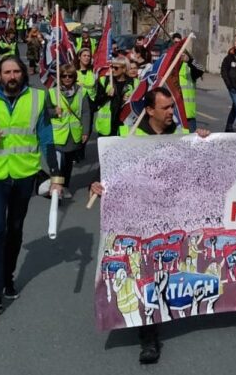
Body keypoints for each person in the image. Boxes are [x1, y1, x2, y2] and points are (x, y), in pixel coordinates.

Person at [90, 87, 210, 364]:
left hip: (169, 218)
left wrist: (202, 139)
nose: (172, 112)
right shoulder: (129, 137)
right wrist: (95, 184)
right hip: (137, 219)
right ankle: (149, 337)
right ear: (150, 111)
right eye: (166, 108)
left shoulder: (180, 136)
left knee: (163, 272)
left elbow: (195, 162)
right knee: (146, 274)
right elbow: (107, 171)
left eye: (172, 107)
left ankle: (158, 315)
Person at [0, 56, 61, 317]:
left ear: (23, 74)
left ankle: (8, 278)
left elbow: (46, 137)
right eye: (7, 72)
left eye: (16, 71)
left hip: (24, 174)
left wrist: (55, 173)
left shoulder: (38, 99)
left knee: (15, 229)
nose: (12, 76)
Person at [48, 63, 91, 198]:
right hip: (58, 134)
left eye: (70, 76)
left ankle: (65, 186)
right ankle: (56, 189)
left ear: (74, 77)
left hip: (73, 134)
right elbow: (45, 112)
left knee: (68, 164)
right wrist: (54, 112)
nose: (67, 78)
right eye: (64, 76)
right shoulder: (52, 92)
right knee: (58, 163)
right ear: (60, 77)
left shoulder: (81, 92)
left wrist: (85, 131)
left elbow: (85, 112)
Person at [93, 56, 136, 137]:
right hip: (106, 126)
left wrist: (129, 100)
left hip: (124, 126)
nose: (112, 70)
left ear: (124, 69)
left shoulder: (134, 83)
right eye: (111, 67)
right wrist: (107, 95)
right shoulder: (104, 80)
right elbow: (95, 103)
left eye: (115, 68)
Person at [179, 49, 204, 133]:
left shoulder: (188, 66)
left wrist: (189, 61)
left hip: (187, 114)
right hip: (174, 113)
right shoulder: (170, 68)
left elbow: (201, 69)